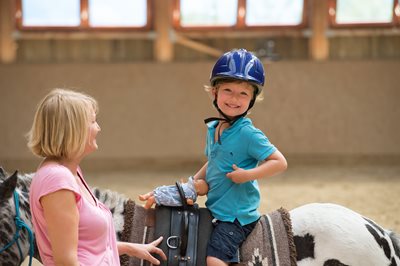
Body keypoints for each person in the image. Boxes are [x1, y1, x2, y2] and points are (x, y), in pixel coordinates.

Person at [27, 88, 167, 266]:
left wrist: (132, 248)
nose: (98, 128)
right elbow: (66, 262)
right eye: (92, 122)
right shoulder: (57, 180)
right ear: (74, 129)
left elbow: (86, 247)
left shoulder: (71, 171)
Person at [193, 49, 288, 266]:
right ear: (214, 92)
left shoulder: (248, 133)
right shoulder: (214, 128)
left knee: (214, 261)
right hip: (216, 208)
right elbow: (213, 161)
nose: (235, 99)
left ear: (252, 99)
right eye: (228, 90)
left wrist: (248, 175)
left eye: (243, 94)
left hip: (236, 217)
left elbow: (280, 162)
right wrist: (192, 182)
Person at [139, 176, 209, 209]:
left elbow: (188, 200)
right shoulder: (189, 186)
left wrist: (190, 202)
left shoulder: (192, 194)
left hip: (171, 196)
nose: (195, 181)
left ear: (198, 190)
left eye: (197, 182)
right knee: (155, 191)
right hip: (170, 190)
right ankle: (145, 196)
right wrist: (182, 183)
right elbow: (184, 187)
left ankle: (146, 207)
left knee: (153, 198)